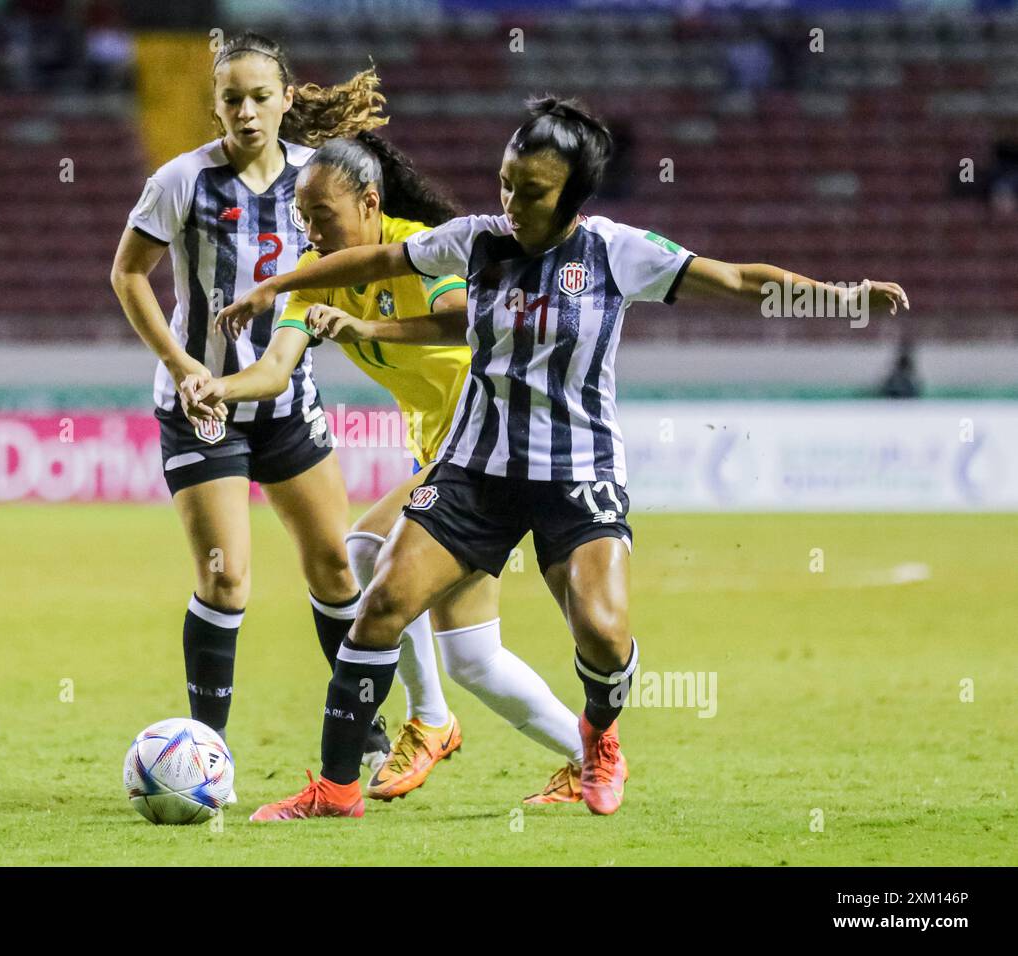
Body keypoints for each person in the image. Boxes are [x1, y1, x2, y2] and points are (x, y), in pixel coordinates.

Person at [217, 95, 909, 820]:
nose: (512, 201)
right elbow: (385, 256)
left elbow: (736, 280)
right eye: (507, 182)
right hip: (475, 470)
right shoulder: (476, 241)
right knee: (382, 602)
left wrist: (839, 298)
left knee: (603, 633)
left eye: (533, 191)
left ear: (573, 196)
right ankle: (335, 791)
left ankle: (598, 742)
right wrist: (278, 284)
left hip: (576, 476)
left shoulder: (617, 252)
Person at [180, 132, 590, 804]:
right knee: (473, 658)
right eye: (301, 219)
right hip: (446, 452)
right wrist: (216, 388)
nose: (310, 231)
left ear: (370, 203)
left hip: (497, 439)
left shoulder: (420, 249)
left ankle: (428, 721)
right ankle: (591, 759)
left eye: (323, 217)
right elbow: (275, 369)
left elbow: (464, 323)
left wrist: (365, 330)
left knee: (368, 543)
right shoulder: (316, 278)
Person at [109, 32, 397, 768]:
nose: (245, 111)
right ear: (215, 104)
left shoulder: (314, 178)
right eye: (231, 98)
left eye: (260, 97)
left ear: (287, 100)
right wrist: (180, 368)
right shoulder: (182, 181)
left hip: (286, 403)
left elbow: (361, 252)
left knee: (336, 566)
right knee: (225, 577)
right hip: (200, 409)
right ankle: (207, 753)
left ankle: (359, 730)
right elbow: (129, 275)